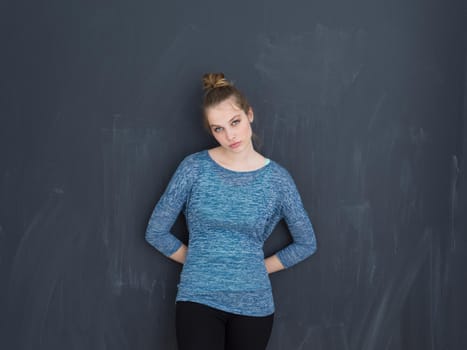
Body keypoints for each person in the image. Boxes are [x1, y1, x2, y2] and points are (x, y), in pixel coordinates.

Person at [145, 72, 317, 350]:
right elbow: (156, 232)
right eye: (218, 128)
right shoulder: (194, 168)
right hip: (198, 297)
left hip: (254, 304)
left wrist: (256, 268)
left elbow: (307, 243)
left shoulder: (278, 180)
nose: (229, 135)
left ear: (249, 115)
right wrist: (201, 260)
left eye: (234, 122)